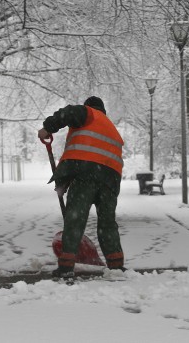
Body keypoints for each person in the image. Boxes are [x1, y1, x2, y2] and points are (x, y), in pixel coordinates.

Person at [37, 96, 125, 278]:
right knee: (107, 224)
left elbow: (68, 113)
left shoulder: (88, 113)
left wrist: (48, 128)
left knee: (75, 220)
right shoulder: (111, 128)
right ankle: (116, 266)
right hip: (111, 180)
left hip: (87, 175)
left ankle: (66, 266)